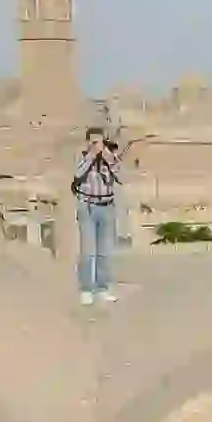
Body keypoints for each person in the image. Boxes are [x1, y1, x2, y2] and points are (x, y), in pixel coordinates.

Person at [71, 128, 151, 306]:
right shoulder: (82, 157)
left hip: (106, 207)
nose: (96, 145)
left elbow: (122, 177)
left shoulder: (110, 158)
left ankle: (102, 287)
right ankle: (86, 289)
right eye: (92, 142)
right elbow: (77, 173)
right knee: (88, 251)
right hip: (88, 207)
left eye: (99, 142)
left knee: (104, 252)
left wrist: (107, 156)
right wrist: (91, 155)